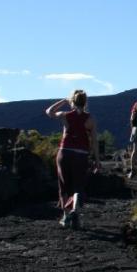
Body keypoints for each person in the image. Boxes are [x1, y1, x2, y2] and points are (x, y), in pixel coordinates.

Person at [45, 90, 98, 229]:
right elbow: (94, 141)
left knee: (64, 185)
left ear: (72, 101)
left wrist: (63, 101)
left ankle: (66, 216)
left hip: (65, 153)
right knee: (78, 185)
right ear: (85, 102)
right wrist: (97, 160)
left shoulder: (65, 115)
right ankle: (75, 211)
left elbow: (49, 111)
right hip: (81, 154)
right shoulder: (90, 119)